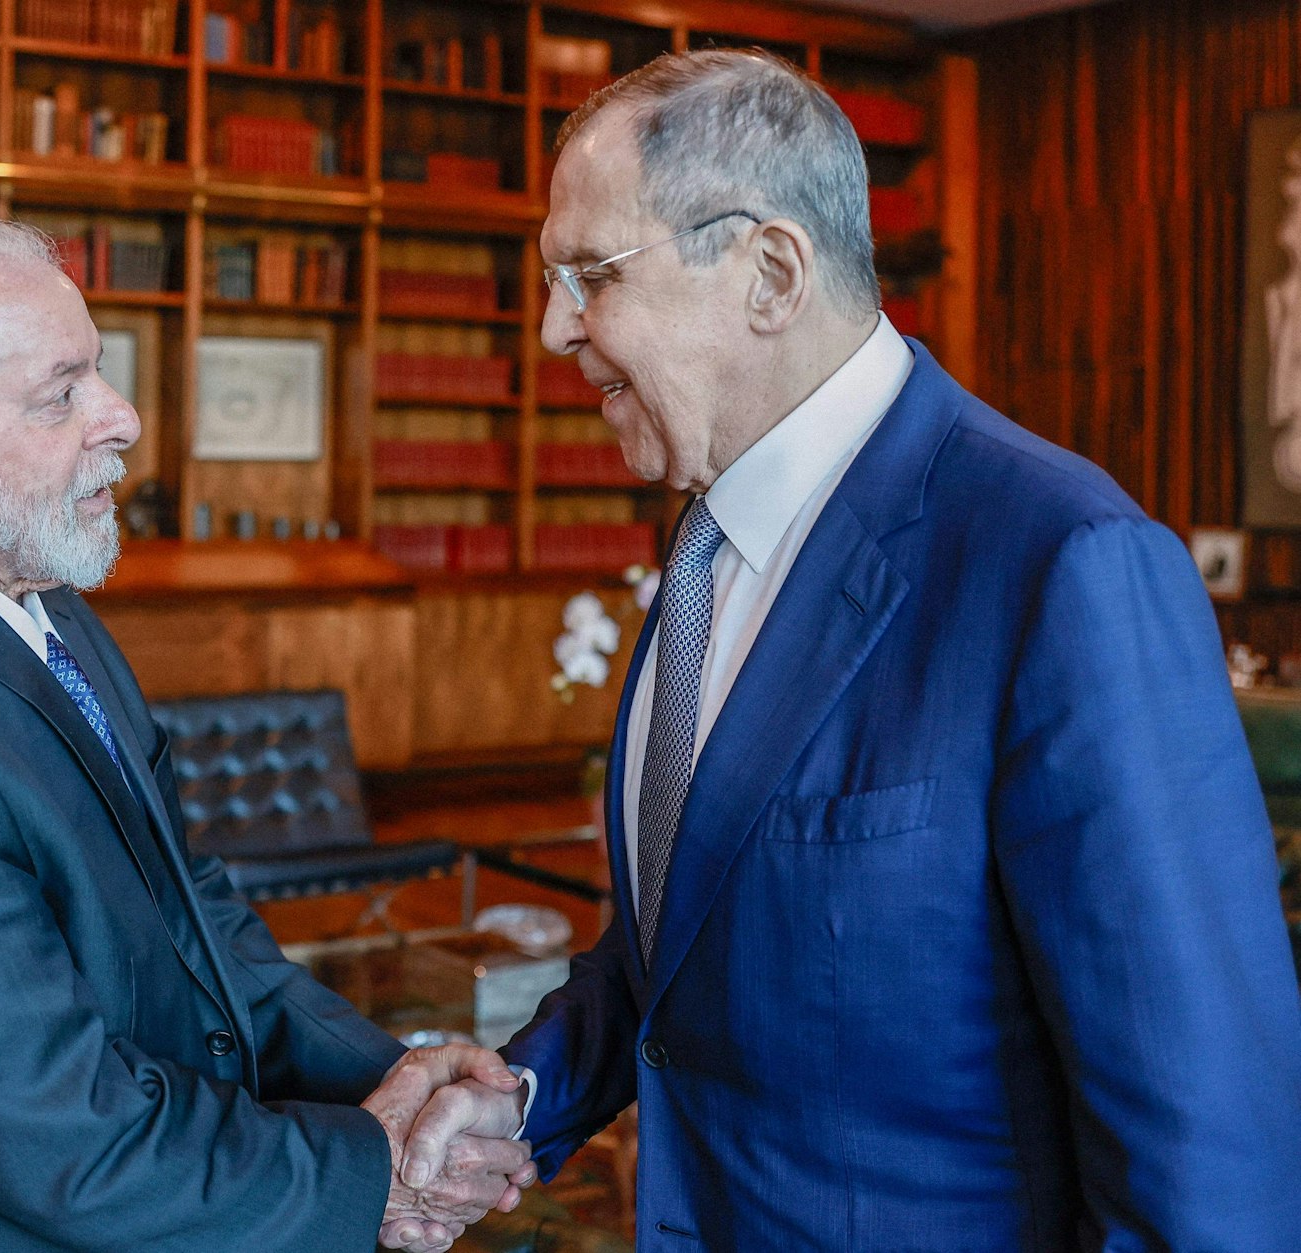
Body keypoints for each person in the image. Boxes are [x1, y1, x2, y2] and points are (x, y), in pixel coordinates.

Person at [398, 48, 1301, 1248]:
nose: (556, 326)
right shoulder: (703, 549)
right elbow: (683, 950)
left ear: (769, 272)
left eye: (588, 274)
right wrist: (513, 1099)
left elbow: (1204, 1140)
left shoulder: (1060, 562)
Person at [0, 217, 535, 1253]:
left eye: (98, 373)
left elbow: (192, 919)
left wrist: (388, 1073)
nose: (124, 417)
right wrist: (377, 1168)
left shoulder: (45, 612)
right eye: (61, 393)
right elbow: (58, 1131)